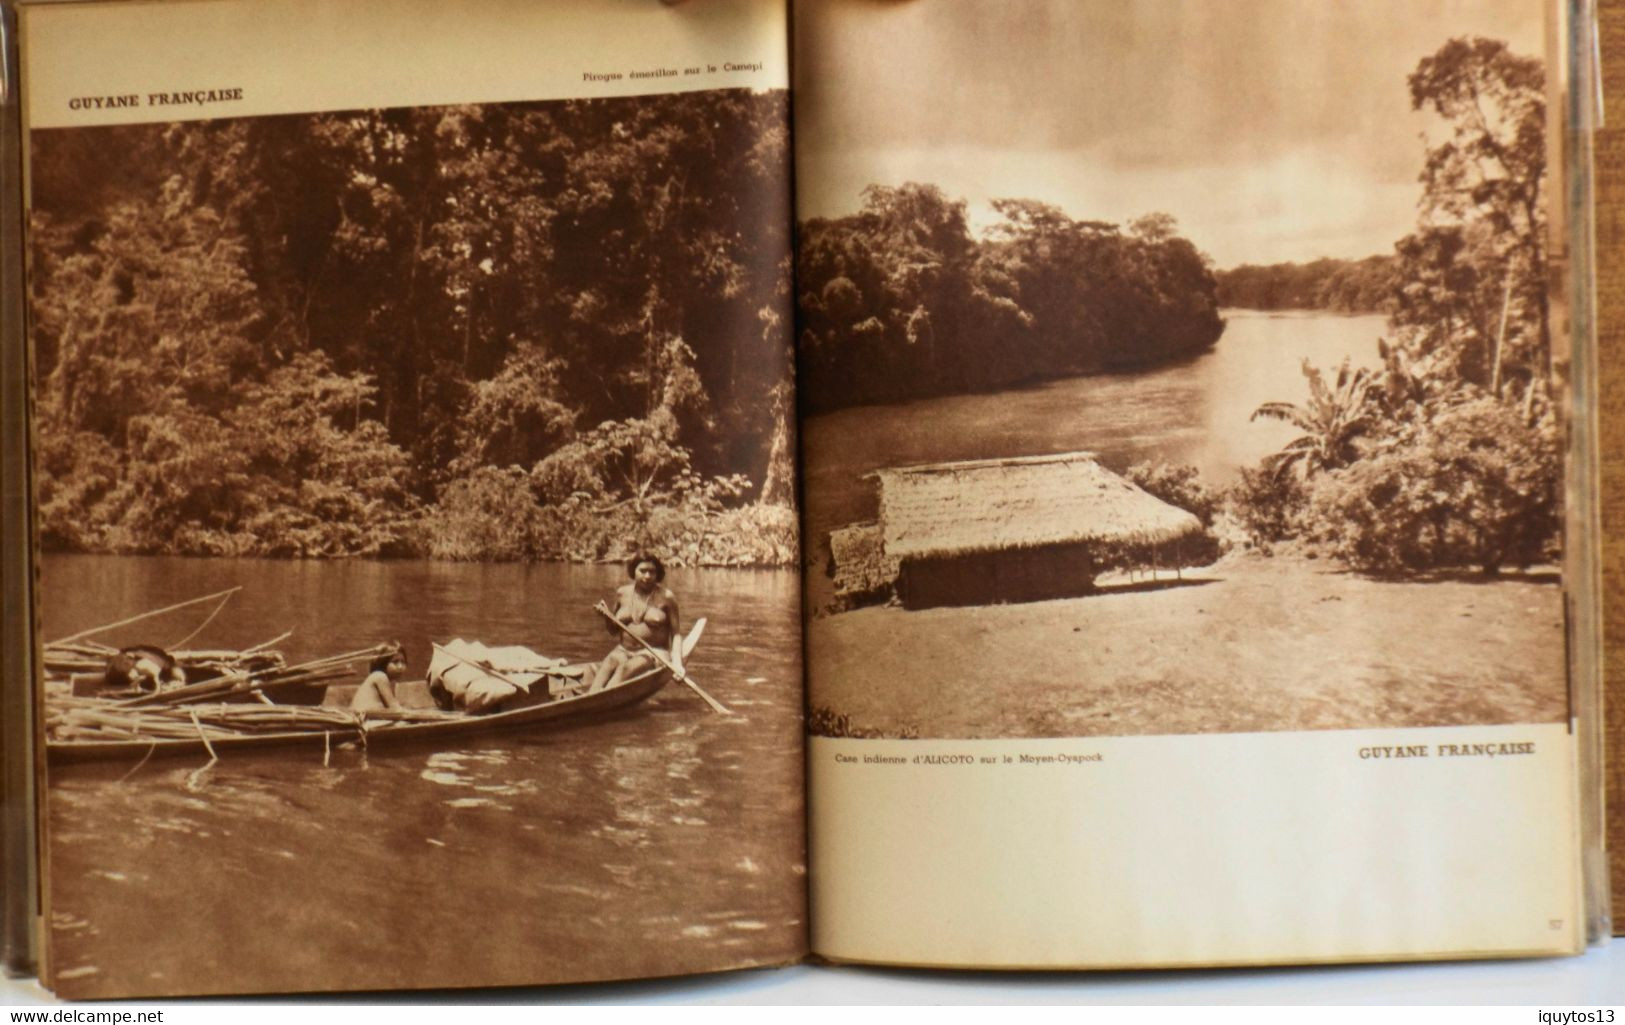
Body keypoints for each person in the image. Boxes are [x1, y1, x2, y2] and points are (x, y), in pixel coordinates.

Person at [590, 553, 683, 693]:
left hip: (653, 653)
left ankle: (600, 701)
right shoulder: (622, 593)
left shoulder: (667, 597)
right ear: (633, 571)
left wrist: (677, 663)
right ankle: (591, 697)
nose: (647, 576)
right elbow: (614, 631)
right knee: (608, 664)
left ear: (658, 574)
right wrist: (606, 617)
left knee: (624, 669)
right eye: (642, 571)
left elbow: (676, 634)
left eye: (652, 572)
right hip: (623, 650)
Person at [351, 644, 407, 713]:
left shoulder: (390, 682)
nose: (400, 666)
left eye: (403, 662)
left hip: (370, 717)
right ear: (383, 663)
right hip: (364, 719)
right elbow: (396, 709)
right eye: (395, 662)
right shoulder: (380, 676)